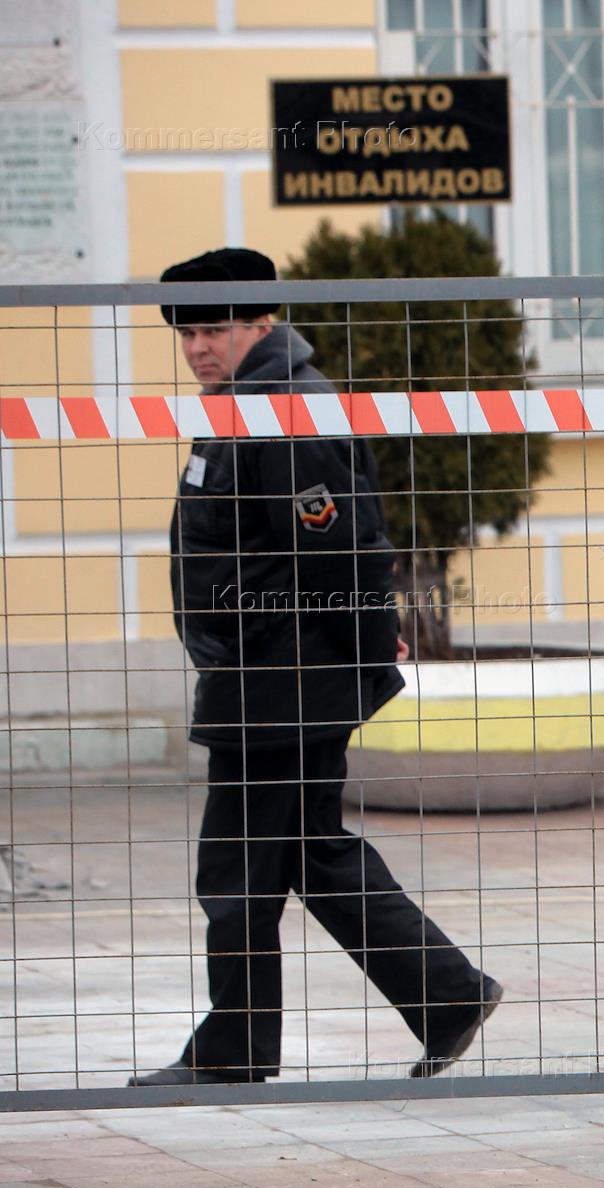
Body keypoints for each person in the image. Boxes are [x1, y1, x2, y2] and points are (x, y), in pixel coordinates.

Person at [128, 247, 502, 1087]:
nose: (197, 347)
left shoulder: (284, 409)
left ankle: (234, 1052)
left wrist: (371, 642)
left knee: (238, 869)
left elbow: (337, 547)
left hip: (283, 677)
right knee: (308, 853)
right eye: (186, 334)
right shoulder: (244, 402)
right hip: (263, 672)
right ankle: (446, 996)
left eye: (214, 329)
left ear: (261, 321)